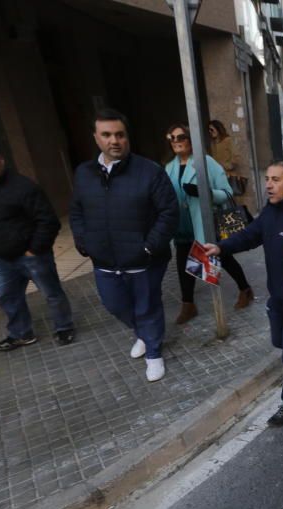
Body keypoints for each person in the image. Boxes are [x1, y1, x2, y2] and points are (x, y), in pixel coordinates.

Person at [70, 109, 179, 382]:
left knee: (147, 305)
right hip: (104, 259)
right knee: (114, 305)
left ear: (127, 137)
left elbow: (169, 212)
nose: (114, 140)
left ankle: (153, 352)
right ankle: (142, 333)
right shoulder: (84, 173)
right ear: (96, 138)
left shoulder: (149, 171)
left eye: (119, 134)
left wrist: (148, 247)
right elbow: (76, 211)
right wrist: (84, 241)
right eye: (106, 135)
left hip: (144, 258)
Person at [205, 161, 283, 427]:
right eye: (267, 178)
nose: (268, 184)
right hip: (277, 299)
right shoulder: (270, 213)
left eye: (276, 179)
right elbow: (249, 235)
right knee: (280, 344)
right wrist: (220, 247)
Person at [0, 140, 75, 350]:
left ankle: (64, 327)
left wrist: (34, 248)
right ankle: (21, 334)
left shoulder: (24, 187)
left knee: (52, 293)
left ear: (1, 160)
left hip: (31, 255)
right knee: (7, 296)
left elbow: (48, 220)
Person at [164, 123, 253, 325]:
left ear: (190, 139)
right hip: (181, 225)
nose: (176, 142)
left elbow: (227, 193)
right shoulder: (169, 167)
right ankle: (188, 304)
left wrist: (205, 193)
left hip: (202, 223)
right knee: (182, 264)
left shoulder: (206, 163)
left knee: (224, 258)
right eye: (172, 138)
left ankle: (245, 289)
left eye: (180, 137)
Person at [207, 120, 242, 190]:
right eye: (209, 130)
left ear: (218, 129)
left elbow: (236, 157)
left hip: (229, 176)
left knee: (231, 197)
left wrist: (227, 166)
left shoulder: (227, 140)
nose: (210, 132)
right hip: (217, 177)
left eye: (211, 129)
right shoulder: (212, 144)